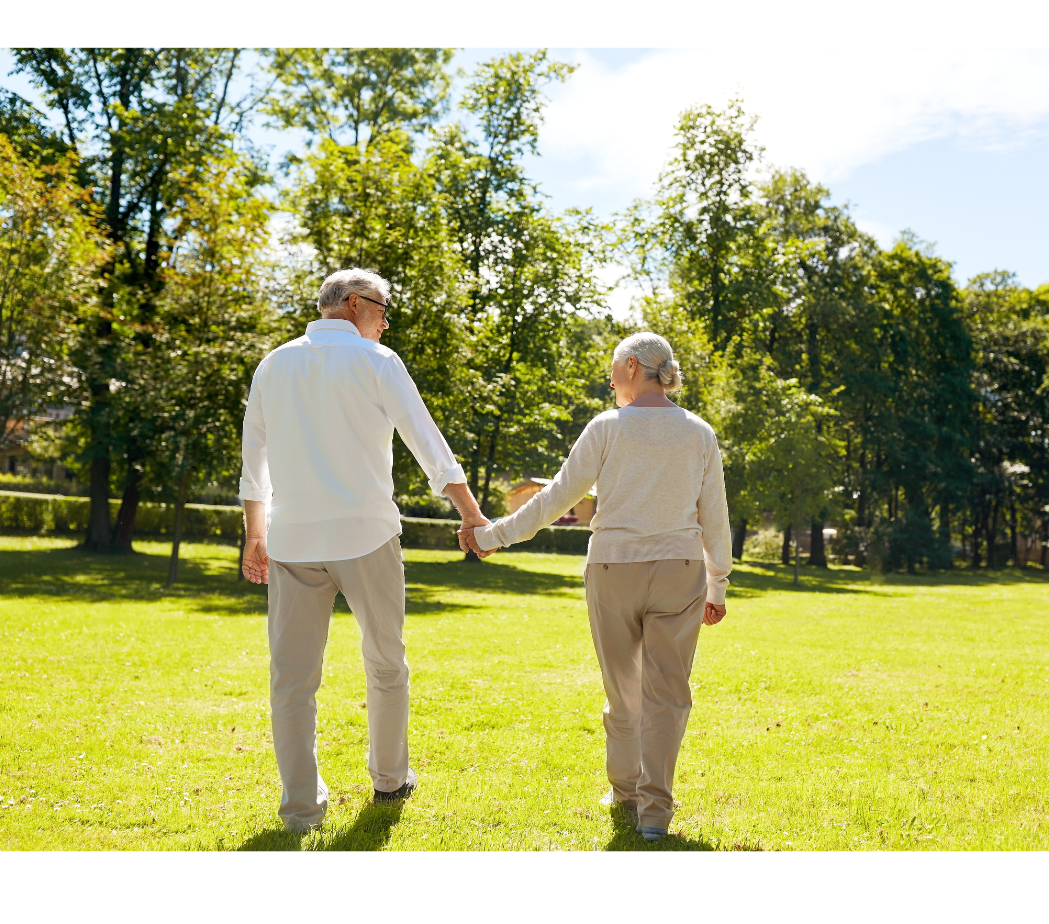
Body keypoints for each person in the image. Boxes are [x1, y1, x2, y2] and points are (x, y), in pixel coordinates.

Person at [239, 268, 488, 832]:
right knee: (385, 662)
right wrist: (470, 512)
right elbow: (427, 441)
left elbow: (254, 457)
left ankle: (300, 809)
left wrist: (256, 532)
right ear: (353, 304)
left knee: (291, 679)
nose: (385, 319)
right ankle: (389, 779)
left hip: (294, 540)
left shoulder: (273, 364)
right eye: (382, 307)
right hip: (366, 536)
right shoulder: (379, 362)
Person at [463, 332, 730, 841]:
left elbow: (556, 498)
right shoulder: (699, 432)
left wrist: (493, 536)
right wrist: (717, 583)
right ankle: (654, 812)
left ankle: (626, 791)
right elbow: (714, 515)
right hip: (679, 571)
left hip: (613, 570)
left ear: (632, 366)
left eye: (612, 369)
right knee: (668, 693)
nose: (609, 380)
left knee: (624, 691)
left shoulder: (607, 427)